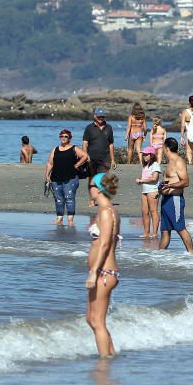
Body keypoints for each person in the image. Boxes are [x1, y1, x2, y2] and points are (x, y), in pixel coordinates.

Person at [85, 173, 121, 358]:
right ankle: (111, 355)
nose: (88, 189)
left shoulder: (107, 211)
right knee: (91, 319)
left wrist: (93, 272)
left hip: (103, 272)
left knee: (97, 321)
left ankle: (104, 366)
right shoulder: (106, 210)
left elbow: (105, 243)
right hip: (102, 272)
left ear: (98, 188)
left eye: (90, 186)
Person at [44, 129, 89, 226]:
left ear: (70, 138)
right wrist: (47, 175)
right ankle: (59, 218)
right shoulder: (55, 149)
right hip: (56, 177)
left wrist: (77, 165)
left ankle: (70, 219)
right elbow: (50, 163)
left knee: (69, 198)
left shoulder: (74, 148)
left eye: (66, 136)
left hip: (71, 178)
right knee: (58, 198)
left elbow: (85, 156)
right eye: (61, 136)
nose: (63, 138)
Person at [159, 138, 193, 254]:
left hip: (175, 199)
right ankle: (159, 255)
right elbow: (169, 180)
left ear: (166, 148)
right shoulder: (170, 162)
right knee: (165, 230)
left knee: (180, 228)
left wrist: (170, 186)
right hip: (165, 199)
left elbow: (185, 182)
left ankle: (191, 254)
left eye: (163, 148)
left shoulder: (178, 161)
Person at [82, 107, 116, 205]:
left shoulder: (109, 128)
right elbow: (85, 143)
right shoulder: (89, 128)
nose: (101, 118)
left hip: (105, 158)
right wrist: (85, 156)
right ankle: (92, 199)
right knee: (92, 179)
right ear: (95, 116)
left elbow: (111, 144)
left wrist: (113, 159)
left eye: (102, 116)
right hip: (91, 158)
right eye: (99, 116)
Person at [135, 146, 161, 238]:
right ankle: (146, 233)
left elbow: (154, 178)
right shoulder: (145, 166)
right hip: (145, 191)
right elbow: (146, 178)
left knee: (153, 211)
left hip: (153, 190)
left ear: (152, 155)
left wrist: (142, 181)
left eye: (146, 155)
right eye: (144, 155)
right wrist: (140, 181)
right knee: (144, 211)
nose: (144, 156)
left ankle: (154, 233)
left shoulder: (155, 165)